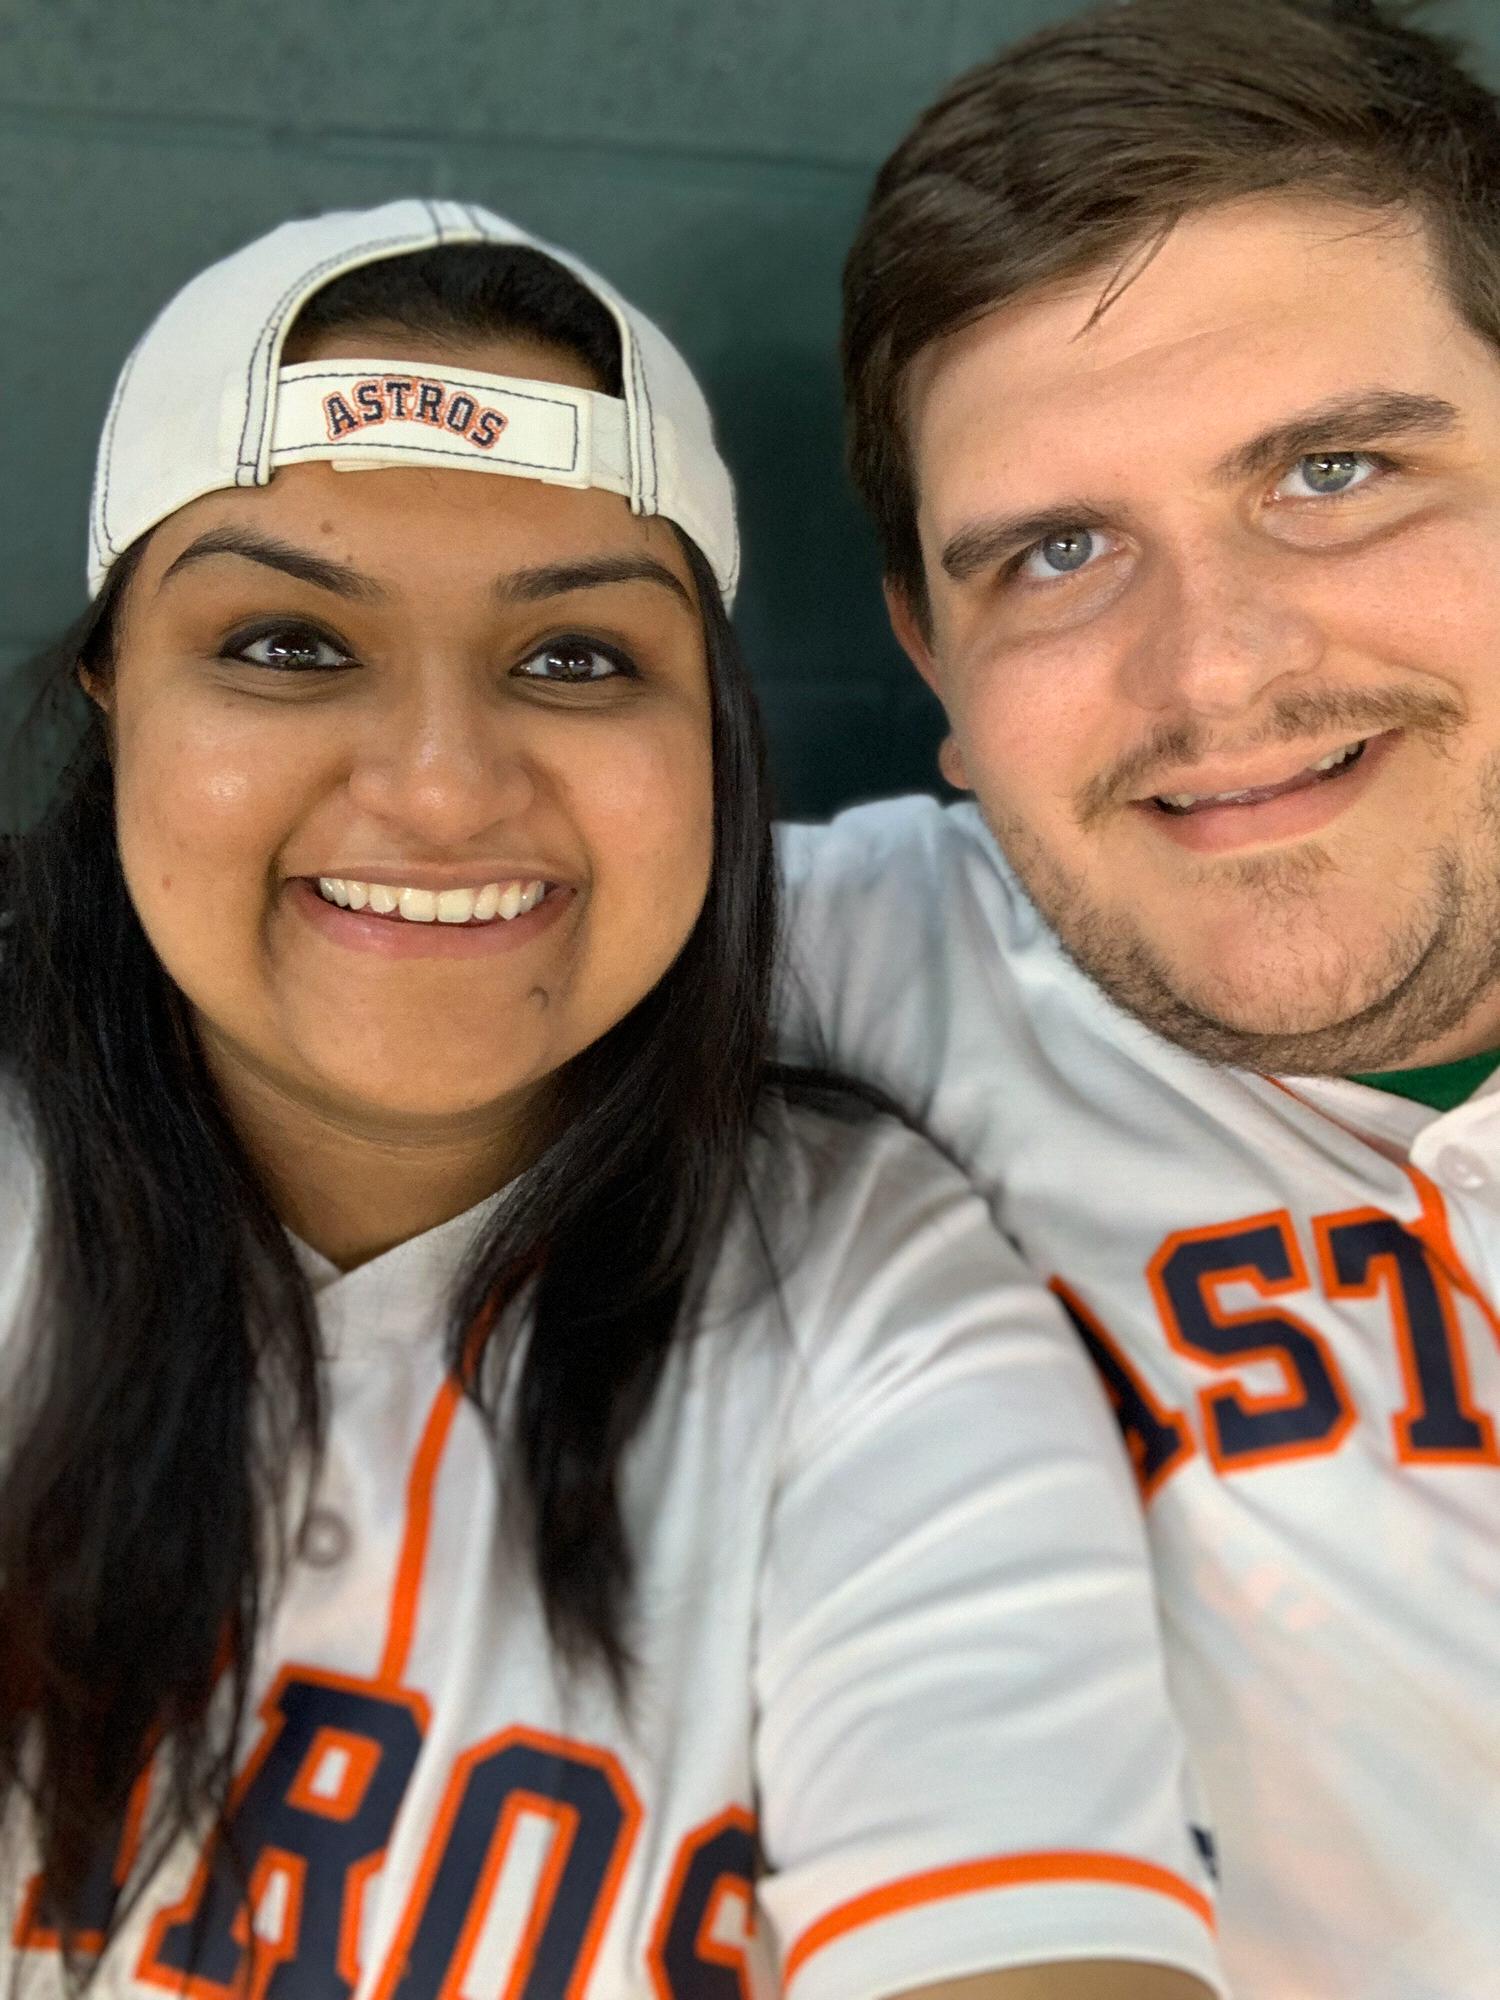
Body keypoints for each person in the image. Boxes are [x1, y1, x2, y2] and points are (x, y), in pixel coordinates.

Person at [0, 201, 1223, 2000]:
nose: (438, 788)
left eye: (577, 659)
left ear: (710, 736)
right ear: (115, 695)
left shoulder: (857, 1293)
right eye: (286, 644)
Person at [778, 2, 1500, 1995]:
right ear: (932, 664)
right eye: (1057, 551)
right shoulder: (814, 970)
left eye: (1334, 472)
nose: (1215, 672)